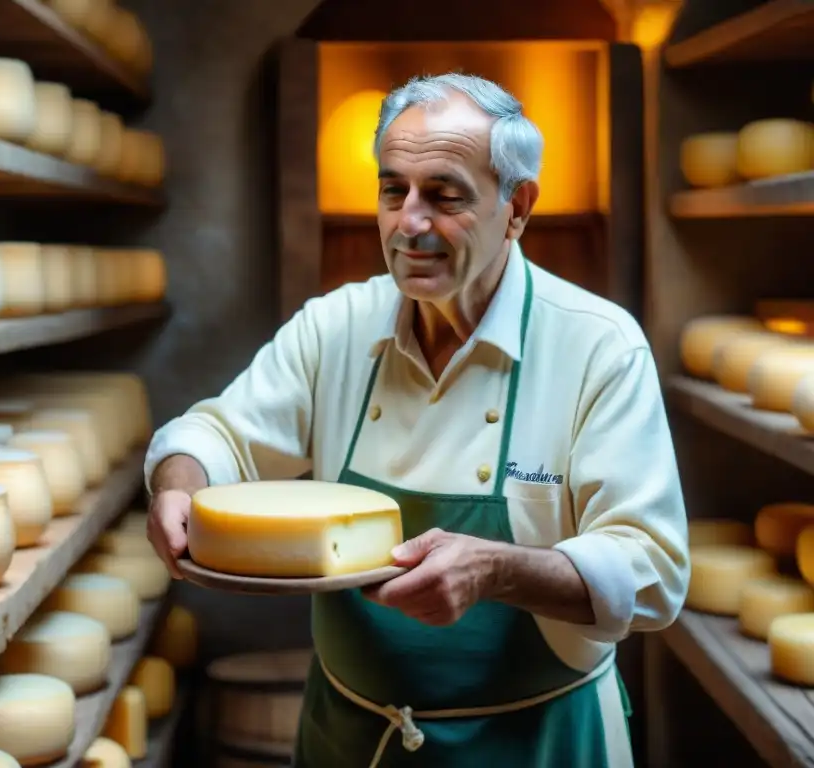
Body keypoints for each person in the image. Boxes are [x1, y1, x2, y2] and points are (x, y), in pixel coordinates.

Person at [143, 72, 690, 767]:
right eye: (392, 189)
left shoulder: (597, 346)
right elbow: (215, 434)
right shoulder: (336, 325)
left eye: (445, 195)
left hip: (536, 742)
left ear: (517, 207)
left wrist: (495, 569)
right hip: (353, 735)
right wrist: (177, 486)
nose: (410, 222)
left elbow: (652, 571)